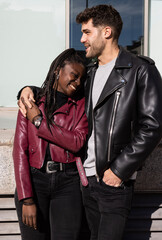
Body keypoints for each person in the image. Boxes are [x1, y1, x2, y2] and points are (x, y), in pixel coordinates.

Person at [18, 4, 162, 240]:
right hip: (84, 181)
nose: (82, 38)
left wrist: (119, 170)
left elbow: (152, 126)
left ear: (106, 32)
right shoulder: (90, 72)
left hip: (114, 182)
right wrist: (28, 89)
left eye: (87, 32)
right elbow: (60, 89)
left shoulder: (140, 70)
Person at [13, 48, 89, 240]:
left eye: (81, 78)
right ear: (58, 71)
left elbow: (77, 142)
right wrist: (27, 199)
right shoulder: (31, 102)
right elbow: (19, 153)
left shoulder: (80, 105)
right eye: (74, 75)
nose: (77, 82)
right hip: (34, 181)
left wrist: (39, 122)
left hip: (68, 182)